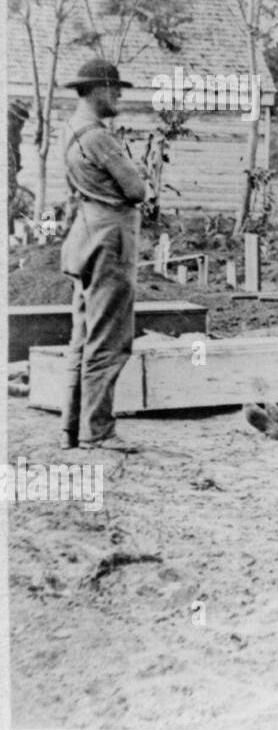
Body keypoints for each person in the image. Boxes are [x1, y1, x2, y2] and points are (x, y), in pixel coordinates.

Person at [59, 59, 147, 452]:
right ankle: (98, 431)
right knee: (109, 338)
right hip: (109, 240)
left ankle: (72, 429)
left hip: (85, 235)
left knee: (83, 335)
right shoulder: (98, 137)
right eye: (114, 90)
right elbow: (137, 190)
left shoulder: (72, 130)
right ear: (96, 91)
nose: (119, 96)